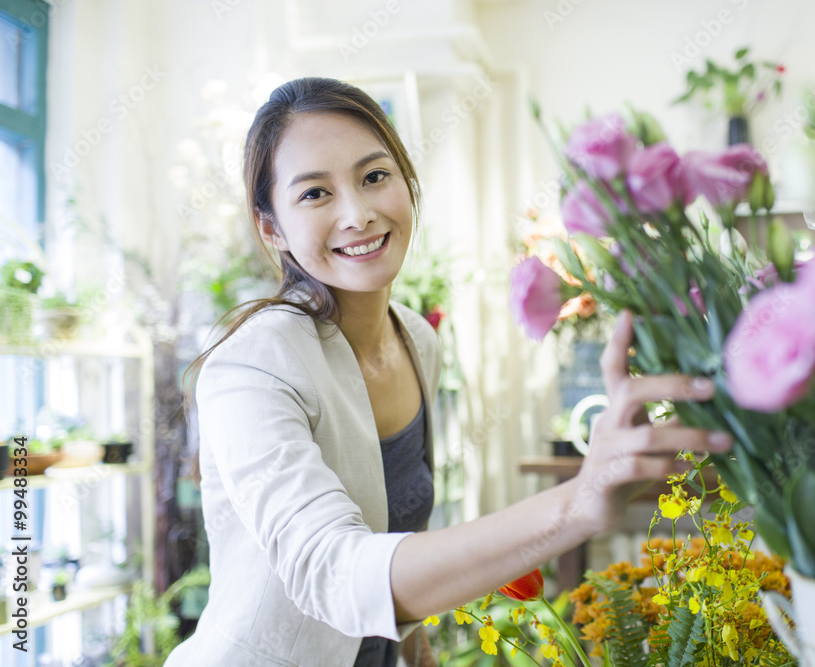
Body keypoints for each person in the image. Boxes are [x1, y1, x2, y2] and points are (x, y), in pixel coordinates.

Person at [165, 77, 732, 667]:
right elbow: (331, 572)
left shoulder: (416, 338)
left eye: (374, 177)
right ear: (271, 228)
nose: (358, 213)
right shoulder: (252, 362)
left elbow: (395, 537)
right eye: (314, 194)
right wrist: (580, 500)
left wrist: (416, 650)